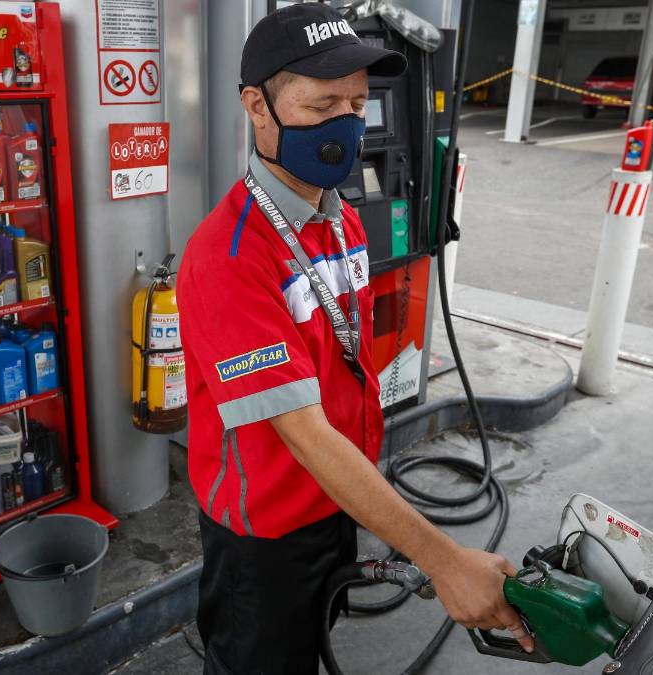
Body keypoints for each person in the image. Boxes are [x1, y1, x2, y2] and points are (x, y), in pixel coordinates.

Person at [176, 4, 533, 674]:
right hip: (265, 537)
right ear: (257, 107)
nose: (345, 123)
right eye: (321, 105)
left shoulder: (339, 220)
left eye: (358, 103)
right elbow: (305, 434)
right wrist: (445, 562)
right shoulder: (228, 256)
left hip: (338, 503)